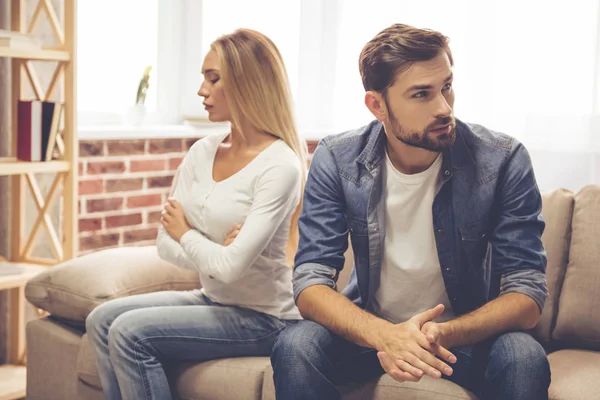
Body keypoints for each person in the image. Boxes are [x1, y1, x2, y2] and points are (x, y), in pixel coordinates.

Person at [271, 23, 550, 400]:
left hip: (458, 339)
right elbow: (310, 283)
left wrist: (440, 333)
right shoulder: (337, 159)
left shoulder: (502, 160)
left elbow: (528, 295)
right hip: (371, 336)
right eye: (421, 94)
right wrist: (387, 335)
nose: (443, 108)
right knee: (295, 347)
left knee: (524, 356)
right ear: (377, 105)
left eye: (446, 87)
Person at [85, 28, 307, 400]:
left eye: (213, 78)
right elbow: (165, 245)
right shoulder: (202, 151)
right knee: (100, 320)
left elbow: (225, 264)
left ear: (247, 84)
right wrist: (218, 247)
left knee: (129, 333)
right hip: (213, 298)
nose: (201, 90)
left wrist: (188, 232)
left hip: (265, 317)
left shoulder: (280, 165)